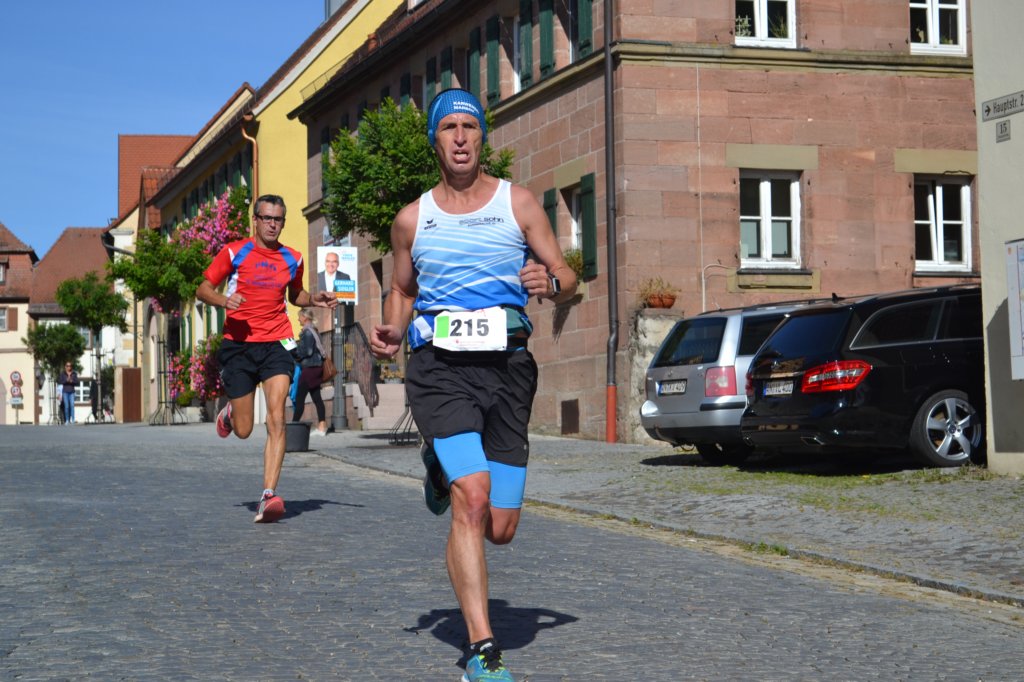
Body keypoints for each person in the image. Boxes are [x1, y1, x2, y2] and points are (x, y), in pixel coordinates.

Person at [370, 88, 577, 682]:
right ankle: (483, 651)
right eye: (449, 128)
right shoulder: (412, 219)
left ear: (483, 136)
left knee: (501, 528)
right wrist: (393, 328)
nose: (460, 137)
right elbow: (402, 289)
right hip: (439, 368)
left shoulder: (519, 203)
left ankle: (440, 470)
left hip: (507, 369)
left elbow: (568, 276)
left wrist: (551, 283)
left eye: (470, 126)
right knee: (473, 496)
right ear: (434, 140)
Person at [196, 194, 338, 523]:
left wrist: (314, 299)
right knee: (244, 429)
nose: (273, 224)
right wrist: (223, 300)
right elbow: (202, 289)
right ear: (256, 220)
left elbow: (295, 295)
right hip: (239, 345)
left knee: (277, 417)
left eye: (278, 219)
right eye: (267, 218)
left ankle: (268, 495)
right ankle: (232, 414)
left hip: (276, 343)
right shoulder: (234, 252)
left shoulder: (293, 258)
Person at [292, 308, 329, 436]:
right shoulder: (314, 331)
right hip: (316, 367)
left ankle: (293, 426)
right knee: (316, 397)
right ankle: (322, 427)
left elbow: (307, 352)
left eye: (299, 317)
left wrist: (294, 352)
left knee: (299, 397)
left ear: (305, 317)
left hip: (310, 368)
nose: (298, 319)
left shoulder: (308, 332)